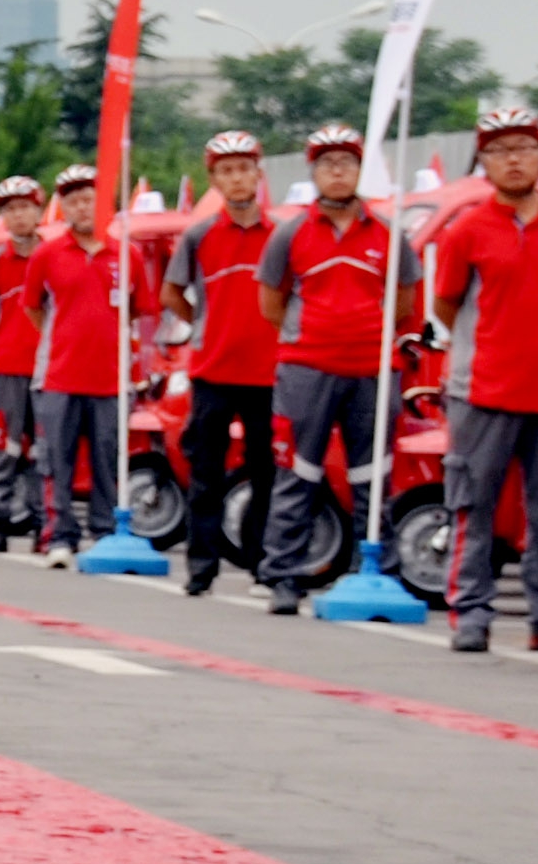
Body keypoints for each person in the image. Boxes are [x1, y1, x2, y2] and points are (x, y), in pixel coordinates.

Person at [416, 99, 538, 655]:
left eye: (524, 148)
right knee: (473, 507)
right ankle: (471, 614)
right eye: (500, 152)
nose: (514, 161)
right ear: (484, 161)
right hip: (481, 391)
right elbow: (447, 305)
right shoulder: (467, 231)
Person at [256, 126, 406, 613]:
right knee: (297, 472)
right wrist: (312, 334)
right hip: (306, 368)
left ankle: (376, 568)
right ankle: (283, 574)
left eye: (346, 161)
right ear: (313, 171)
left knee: (373, 474)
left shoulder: (388, 232)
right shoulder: (291, 232)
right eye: (327, 163)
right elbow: (270, 303)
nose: (337, 171)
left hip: (372, 369)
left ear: (360, 169)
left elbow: (404, 302)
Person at [162, 133, 282, 598]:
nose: (236, 178)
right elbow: (172, 292)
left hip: (269, 372)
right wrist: (203, 325)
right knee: (206, 473)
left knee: (266, 473)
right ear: (214, 179)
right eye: (226, 171)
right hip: (213, 369)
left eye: (244, 168)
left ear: (258, 174)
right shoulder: (199, 235)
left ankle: (263, 565)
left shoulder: (280, 234)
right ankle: (201, 567)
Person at [11, 165, 122, 565]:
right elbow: (32, 308)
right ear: (63, 208)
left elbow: (138, 310)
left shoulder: (123, 253)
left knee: (106, 458)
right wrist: (62, 340)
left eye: (88, 198)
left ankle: (106, 529)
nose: (82, 207)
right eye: (73, 200)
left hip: (109, 377)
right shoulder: (47, 254)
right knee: (57, 459)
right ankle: (59, 535)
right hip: (59, 375)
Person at [0, 174, 52, 549]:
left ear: (39, 210)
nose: (19, 216)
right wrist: (0, 344)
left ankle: (44, 525)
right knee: (3, 448)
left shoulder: (54, 256)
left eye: (25, 207)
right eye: (11, 209)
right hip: (5, 368)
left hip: (49, 368)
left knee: (44, 450)